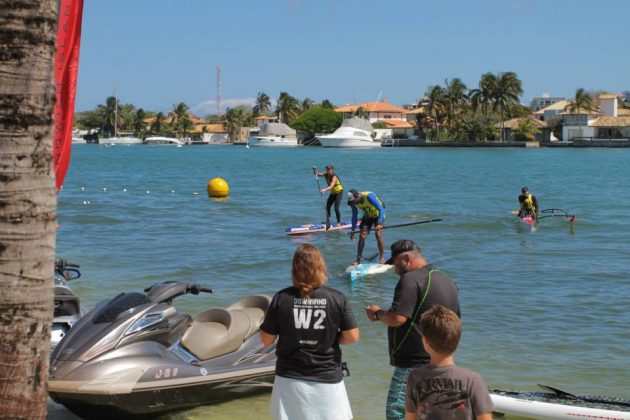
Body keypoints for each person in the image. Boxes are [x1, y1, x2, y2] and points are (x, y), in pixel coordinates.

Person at [260, 244, 360, 420]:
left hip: (290, 378)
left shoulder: (281, 298)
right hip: (327, 377)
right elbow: (352, 336)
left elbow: (266, 340)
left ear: (294, 269)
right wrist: (330, 339)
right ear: (321, 267)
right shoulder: (337, 298)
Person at [365, 239, 460, 420]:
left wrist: (377, 313)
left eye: (396, 264)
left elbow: (397, 318)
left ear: (407, 258)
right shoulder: (446, 280)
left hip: (413, 364)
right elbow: (455, 321)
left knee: (396, 413)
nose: (395, 269)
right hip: (442, 362)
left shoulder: (410, 279)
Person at [405, 305, 494, 419]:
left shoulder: (414, 377)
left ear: (425, 342)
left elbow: (410, 418)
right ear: (457, 341)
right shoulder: (473, 380)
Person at [347, 189, 386, 265]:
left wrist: (379, 223)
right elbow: (354, 216)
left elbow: (381, 209)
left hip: (378, 215)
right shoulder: (353, 202)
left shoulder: (369, 197)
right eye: (352, 202)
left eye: (354, 201)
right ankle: (358, 260)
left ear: (358, 196)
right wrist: (353, 231)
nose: (353, 203)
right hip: (367, 216)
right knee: (362, 235)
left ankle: (382, 257)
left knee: (378, 234)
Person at [313, 164, 344, 229]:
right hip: (333, 193)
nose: (327, 170)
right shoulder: (326, 174)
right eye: (327, 169)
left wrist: (324, 190)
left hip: (339, 192)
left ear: (332, 170)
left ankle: (338, 222)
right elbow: (316, 174)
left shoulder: (334, 177)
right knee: (327, 206)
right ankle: (328, 220)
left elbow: (331, 186)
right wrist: (314, 170)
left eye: (329, 169)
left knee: (336, 207)